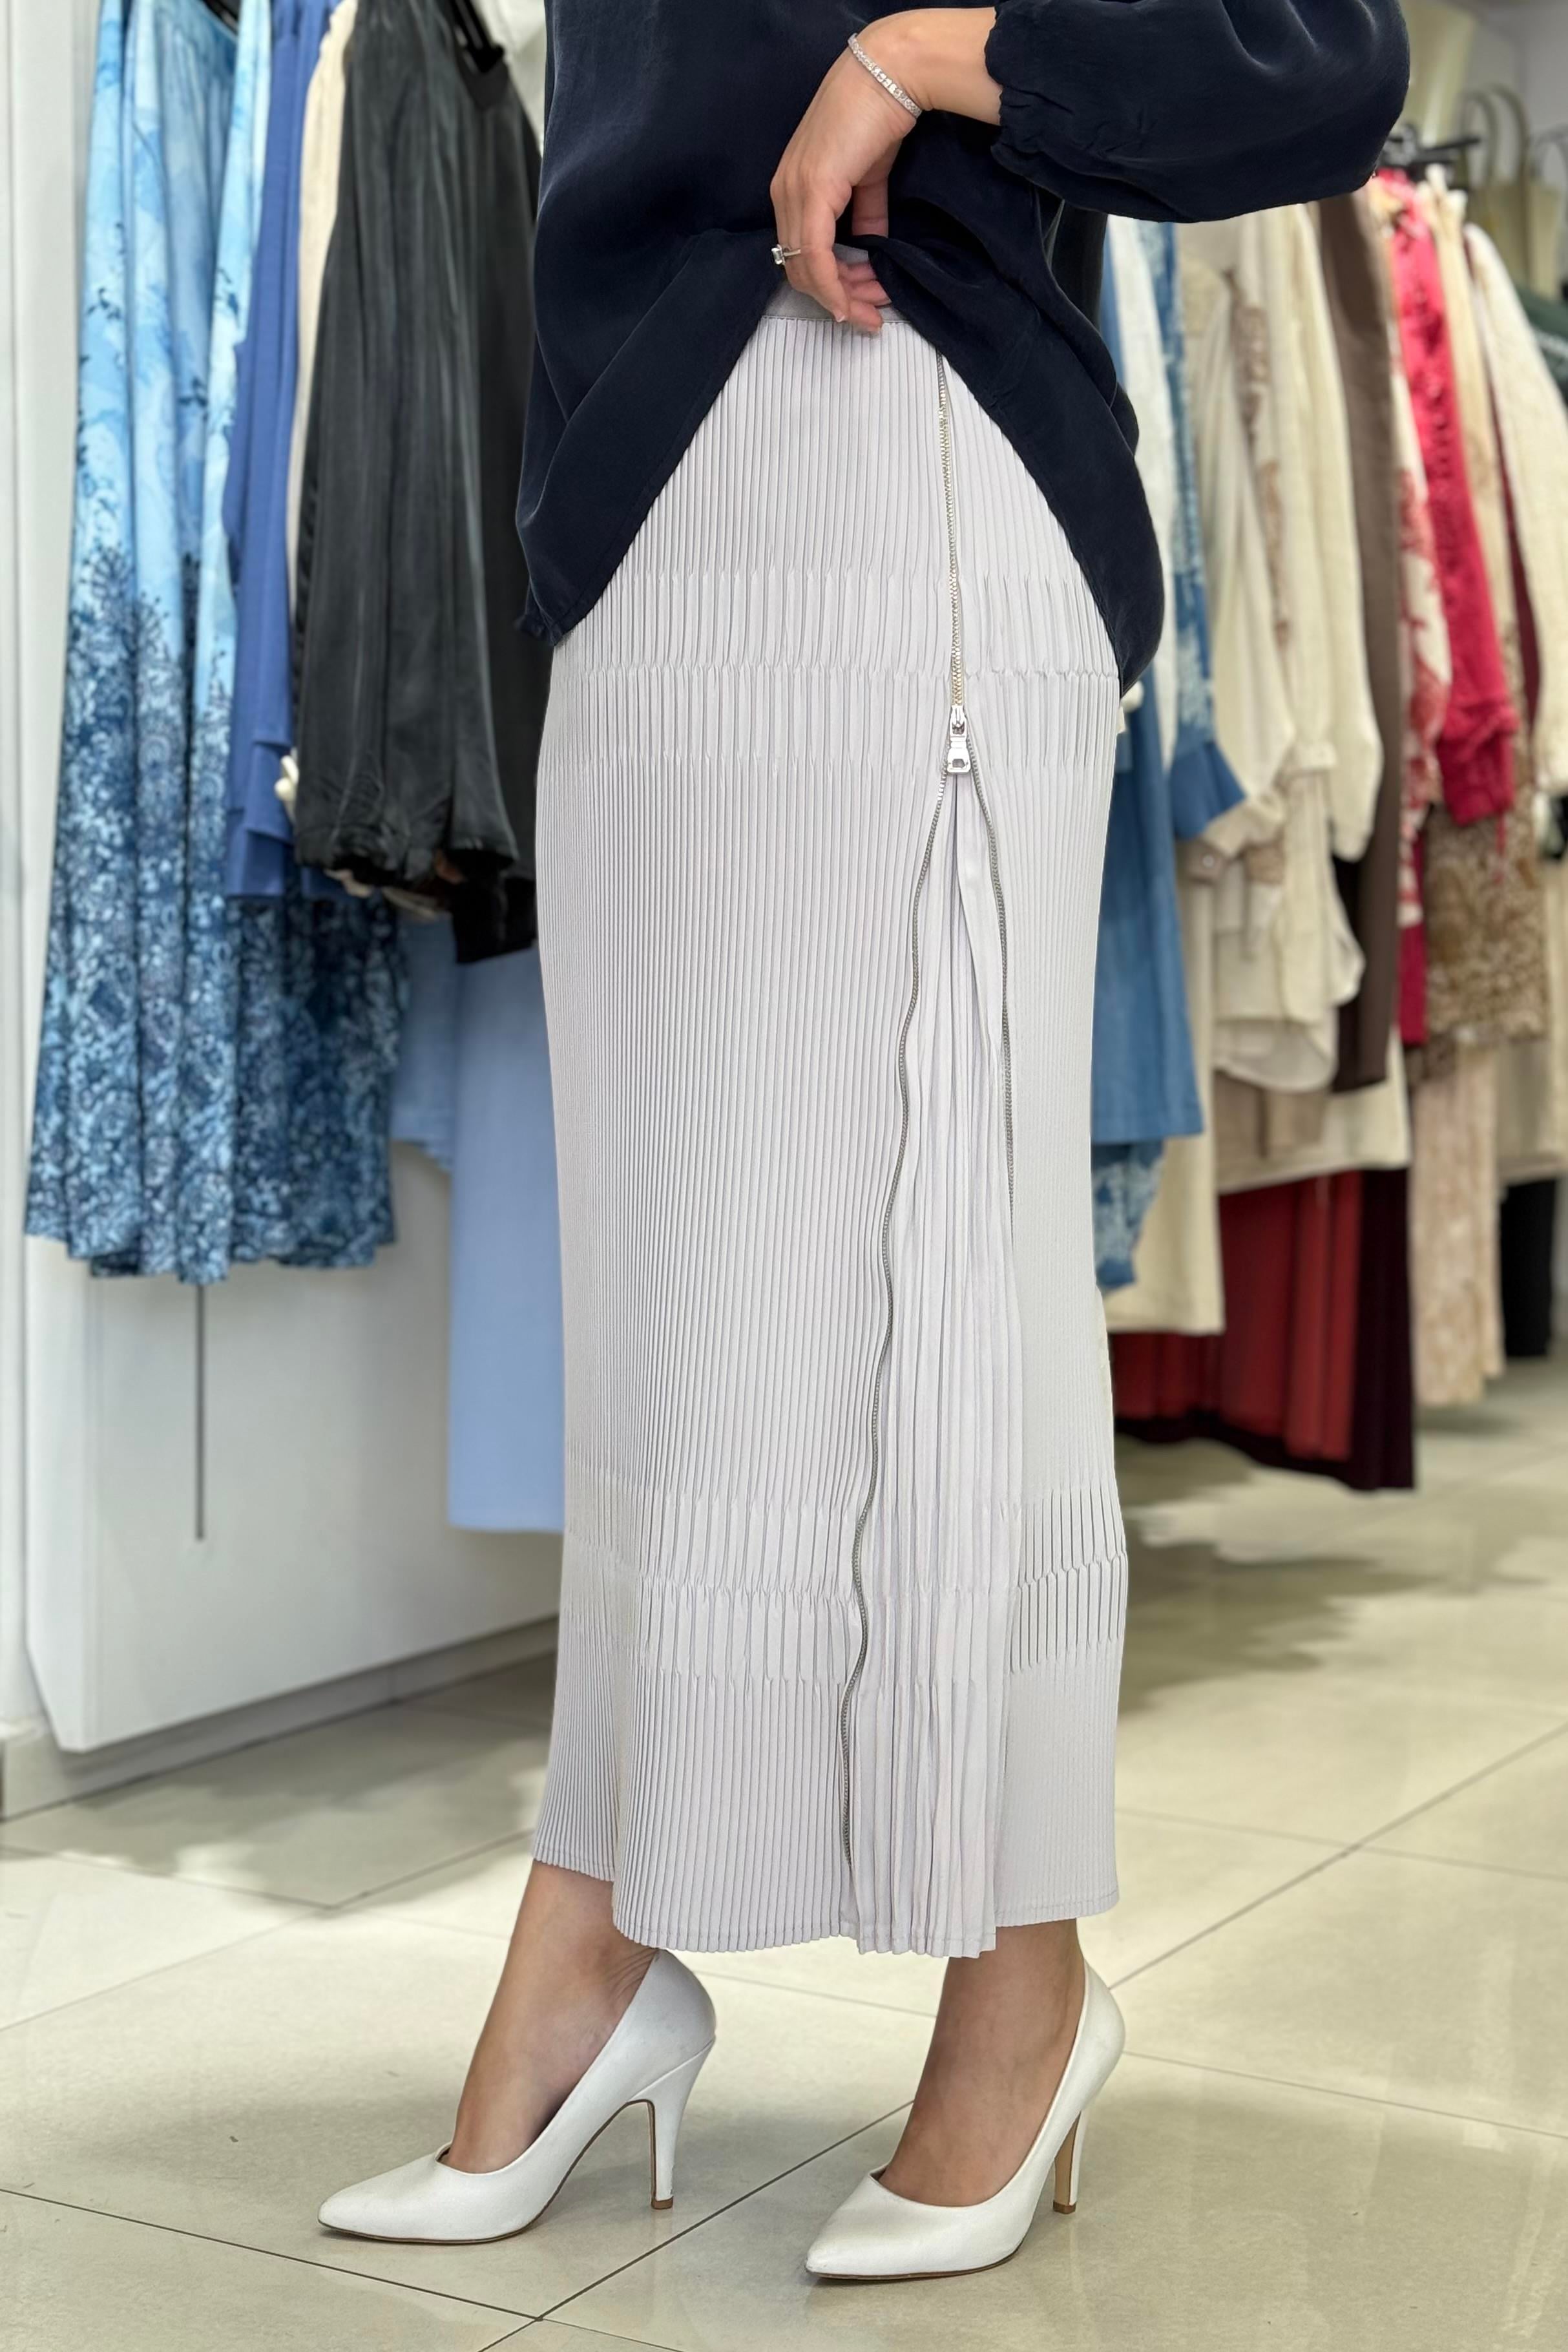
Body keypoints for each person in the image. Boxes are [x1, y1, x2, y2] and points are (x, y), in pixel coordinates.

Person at [322, 0, 1408, 2283]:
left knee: (938, 1294)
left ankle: (1020, 1982)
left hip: (909, 442)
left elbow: (1315, 60)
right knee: (678, 1298)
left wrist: (932, 51)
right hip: (645, 498)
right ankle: (599, 1936)